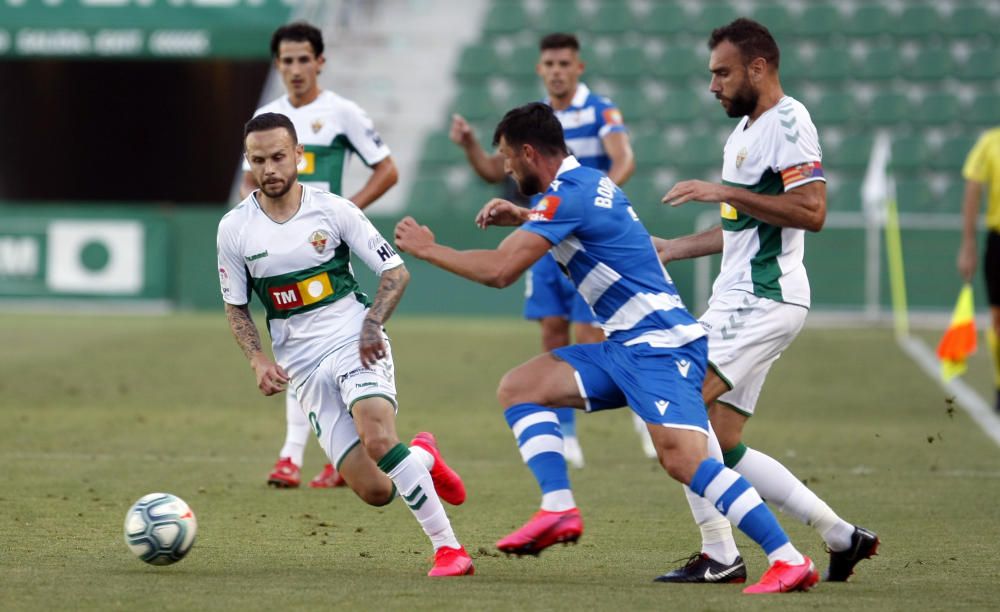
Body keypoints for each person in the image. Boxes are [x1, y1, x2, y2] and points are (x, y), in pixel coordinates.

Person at [395, 101, 819, 594]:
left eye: (509, 159)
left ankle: (788, 558)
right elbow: (574, 223)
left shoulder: (565, 197)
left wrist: (428, 249)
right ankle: (557, 508)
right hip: (626, 347)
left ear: (530, 152)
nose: (506, 170)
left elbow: (499, 272)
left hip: (661, 348)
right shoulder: (588, 182)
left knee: (685, 460)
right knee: (521, 387)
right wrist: (525, 214)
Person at [650, 18, 878, 584]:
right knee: (721, 443)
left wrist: (725, 191)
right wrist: (673, 248)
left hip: (762, 296)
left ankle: (720, 555)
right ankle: (839, 535)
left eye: (722, 73)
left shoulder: (790, 121)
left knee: (678, 409)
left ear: (759, 67)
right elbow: (742, 227)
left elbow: (812, 212)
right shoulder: (745, 133)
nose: (713, 86)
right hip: (749, 297)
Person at [219, 112, 472, 577]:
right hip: (302, 367)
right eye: (259, 160)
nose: (270, 168)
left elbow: (395, 272)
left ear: (299, 155)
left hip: (353, 340)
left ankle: (448, 549)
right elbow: (236, 307)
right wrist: (257, 359)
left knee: (378, 436)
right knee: (376, 490)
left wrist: (372, 324)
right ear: (248, 162)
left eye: (279, 156)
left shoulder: (333, 210)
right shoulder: (235, 228)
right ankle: (424, 456)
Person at [449, 32, 650, 467]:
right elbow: (492, 171)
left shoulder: (600, 109)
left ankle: (645, 409)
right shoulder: (532, 120)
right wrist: (468, 143)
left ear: (578, 67)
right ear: (540, 69)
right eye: (550, 64)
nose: (557, 71)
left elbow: (624, 159)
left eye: (564, 64)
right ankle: (567, 433)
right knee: (551, 330)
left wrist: (596, 208)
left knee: (591, 332)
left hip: (581, 238)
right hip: (541, 235)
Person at [239, 21, 399, 490]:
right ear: (278, 65)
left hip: (324, 248)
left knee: (314, 332)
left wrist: (345, 217)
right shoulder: (266, 118)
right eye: (286, 61)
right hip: (278, 240)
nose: (295, 69)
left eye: (303, 59)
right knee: (293, 332)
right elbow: (250, 180)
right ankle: (307, 455)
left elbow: (387, 170)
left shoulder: (342, 112)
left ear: (320, 62)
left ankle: (297, 455)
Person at [957, 126, 1000, 412]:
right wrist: (968, 245)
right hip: (998, 239)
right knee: (997, 319)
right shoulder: (990, 142)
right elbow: (973, 187)